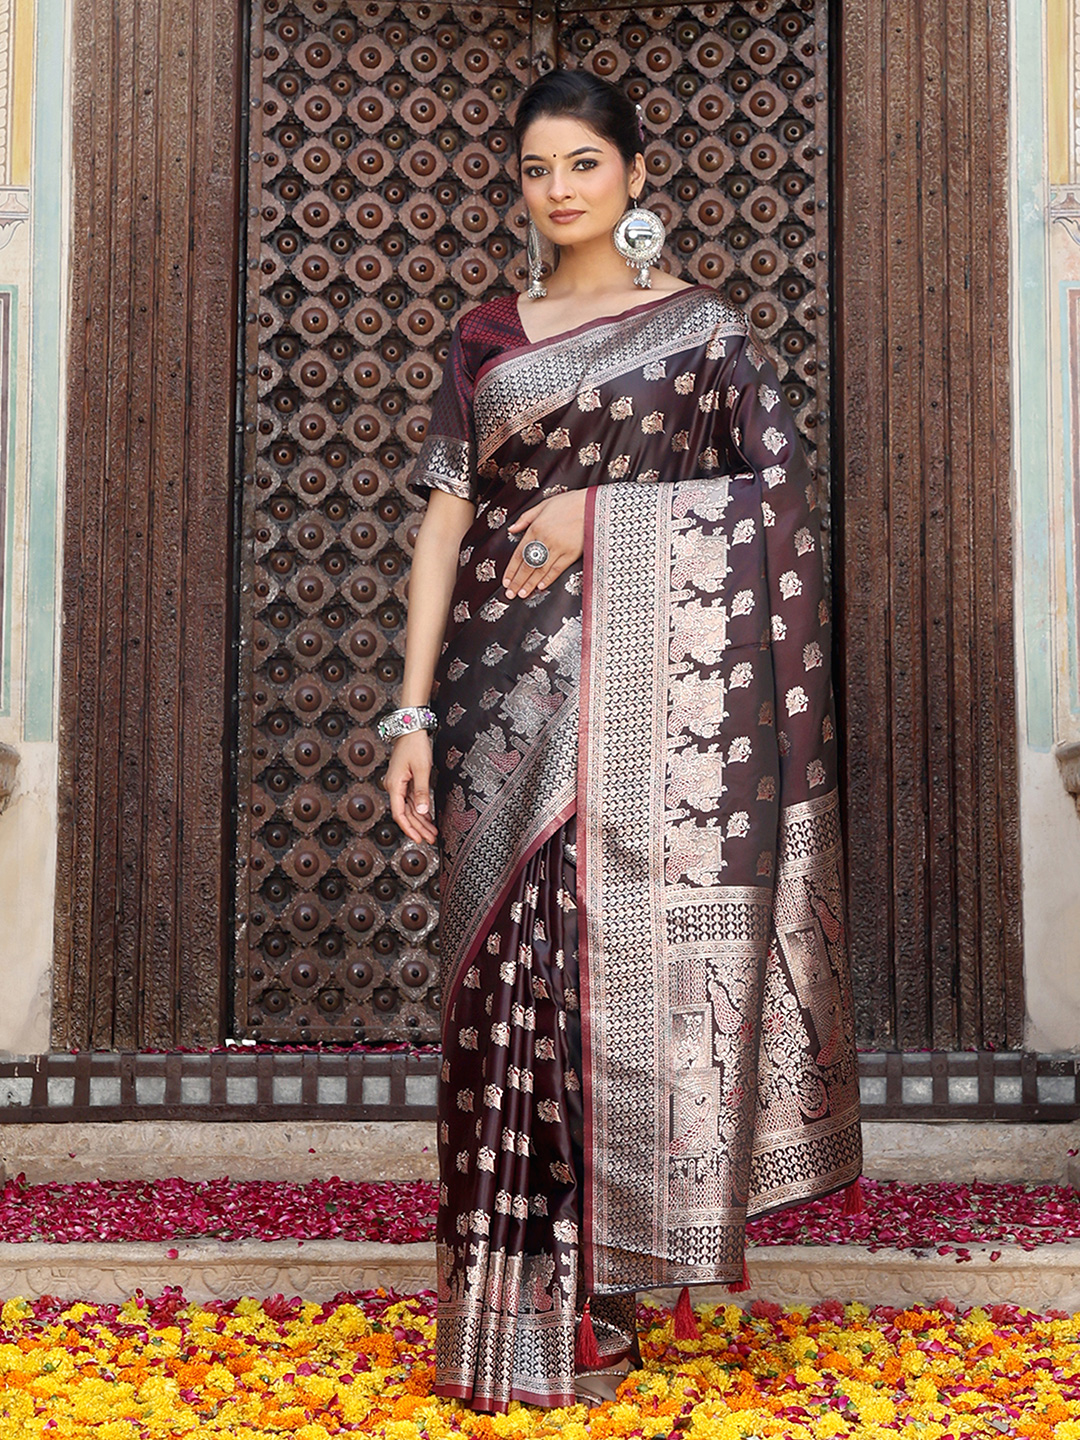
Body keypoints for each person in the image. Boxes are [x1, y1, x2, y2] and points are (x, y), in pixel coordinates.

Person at [383, 68, 862, 1414]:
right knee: (503, 991)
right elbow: (444, 524)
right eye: (537, 168)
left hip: (648, 719)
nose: (559, 189)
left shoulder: (700, 334)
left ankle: (600, 1284)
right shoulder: (486, 336)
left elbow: (777, 502)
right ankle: (509, 1308)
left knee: (597, 977)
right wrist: (411, 713)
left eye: (584, 163)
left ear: (636, 177)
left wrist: (600, 512)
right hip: (495, 703)